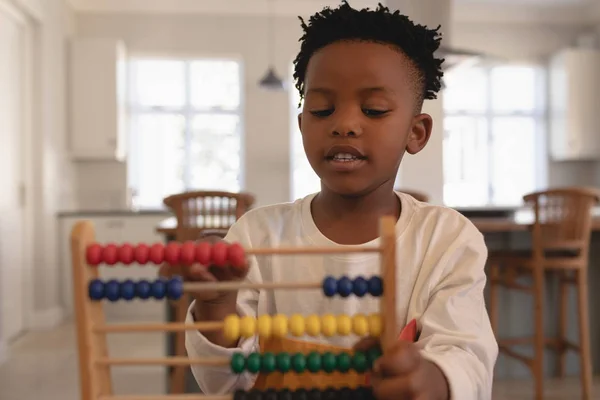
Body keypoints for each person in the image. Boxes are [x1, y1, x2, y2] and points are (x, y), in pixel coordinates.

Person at [182, 2, 498, 399]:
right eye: (322, 109)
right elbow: (222, 384)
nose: (344, 124)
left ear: (416, 133)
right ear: (302, 125)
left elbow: (466, 356)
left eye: (374, 109)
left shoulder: (447, 239)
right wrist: (217, 305)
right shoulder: (255, 235)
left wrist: (432, 379)